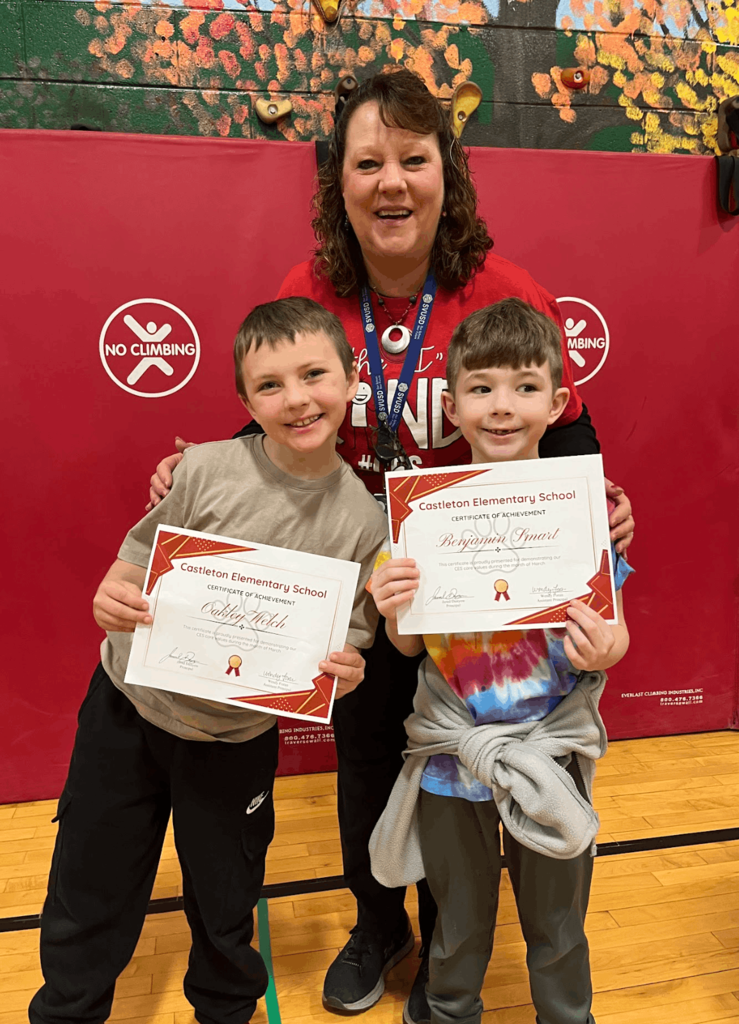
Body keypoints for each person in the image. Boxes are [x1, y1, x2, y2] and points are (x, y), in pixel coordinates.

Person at [146, 70, 635, 1023]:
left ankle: (462, 944)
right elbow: (272, 418)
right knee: (368, 758)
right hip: (357, 578)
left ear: (446, 172)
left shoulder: (501, 291)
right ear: (339, 182)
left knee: (471, 766)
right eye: (368, 163)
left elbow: (568, 429)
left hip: (472, 591)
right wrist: (198, 471)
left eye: (413, 160)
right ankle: (381, 927)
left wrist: (599, 506)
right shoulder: (310, 291)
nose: (392, 183)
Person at [30, 298, 388, 1024]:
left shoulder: (364, 521)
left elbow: (347, 643)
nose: (295, 399)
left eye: (314, 374)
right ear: (243, 400)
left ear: (352, 380)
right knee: (89, 884)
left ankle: (224, 1011)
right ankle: (67, 1010)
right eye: (269, 385)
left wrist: (344, 673)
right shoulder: (201, 468)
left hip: (234, 744)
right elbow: (131, 568)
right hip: (126, 713)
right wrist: (112, 597)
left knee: (226, 901)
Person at [369, 297, 632, 1024]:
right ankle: (450, 1010)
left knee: (556, 923)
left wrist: (603, 647)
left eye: (523, 386)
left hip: (550, 750)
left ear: (556, 402)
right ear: (450, 405)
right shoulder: (420, 515)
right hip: (452, 755)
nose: (501, 406)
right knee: (456, 922)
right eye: (480, 388)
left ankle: (565, 1015)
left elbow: (614, 635)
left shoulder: (583, 512)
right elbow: (407, 647)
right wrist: (395, 608)